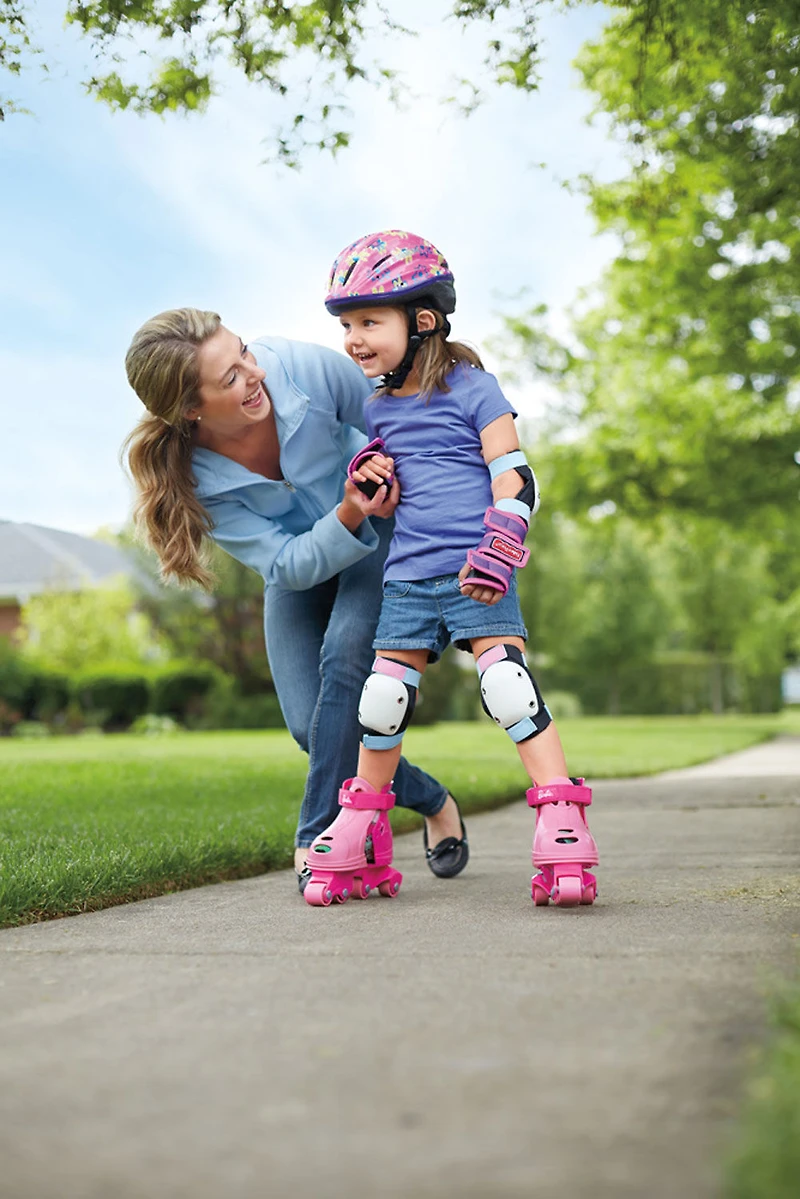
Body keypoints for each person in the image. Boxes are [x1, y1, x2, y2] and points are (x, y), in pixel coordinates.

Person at [122, 307, 470, 893]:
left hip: (381, 528)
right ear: (190, 410)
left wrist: (398, 487)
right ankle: (435, 800)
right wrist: (346, 511)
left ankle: (317, 838)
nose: (253, 373)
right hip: (303, 566)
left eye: (243, 352)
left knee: (346, 655)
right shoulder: (194, 479)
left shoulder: (300, 369)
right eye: (230, 377)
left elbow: (397, 421)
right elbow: (285, 563)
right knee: (315, 731)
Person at [302, 230, 599, 908]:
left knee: (508, 687)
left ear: (424, 320)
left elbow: (516, 476)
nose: (353, 338)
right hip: (407, 575)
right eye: (346, 324)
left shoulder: (474, 388)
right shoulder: (378, 406)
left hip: (476, 570)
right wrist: (372, 478)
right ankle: (362, 824)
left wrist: (502, 544)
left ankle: (562, 817)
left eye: (369, 321)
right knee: (382, 701)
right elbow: (393, 492)